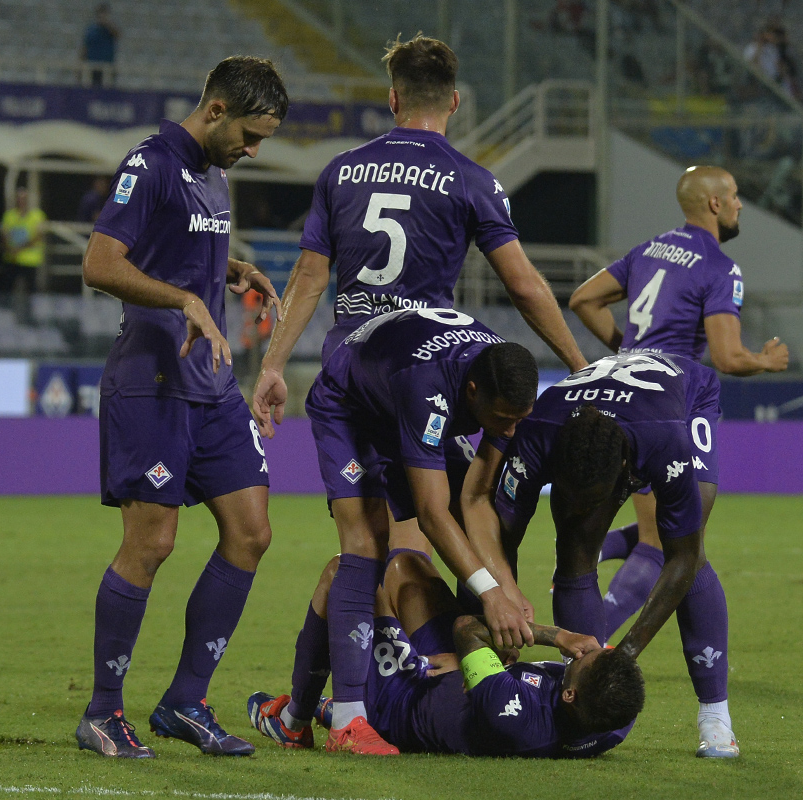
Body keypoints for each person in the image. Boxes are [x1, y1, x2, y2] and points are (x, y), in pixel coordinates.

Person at [247, 34, 586, 754]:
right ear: (454, 103)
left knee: (373, 548)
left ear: (392, 98)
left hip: (379, 364)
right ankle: (351, 715)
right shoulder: (472, 179)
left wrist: (274, 364)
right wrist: (580, 362)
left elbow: (309, 280)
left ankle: (323, 707)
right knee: (405, 538)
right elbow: (525, 286)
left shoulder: (342, 171)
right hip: (405, 379)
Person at [75, 56, 287, 758]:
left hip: (211, 383)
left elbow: (181, 246)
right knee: (152, 544)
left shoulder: (213, 175)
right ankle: (103, 712)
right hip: (152, 380)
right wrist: (185, 299)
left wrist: (233, 268)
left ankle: (185, 701)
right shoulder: (153, 162)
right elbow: (102, 263)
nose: (254, 151)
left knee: (251, 531)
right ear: (217, 109)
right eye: (251, 135)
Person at [266, 308, 540, 755]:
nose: (510, 431)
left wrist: (505, 587)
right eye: (504, 419)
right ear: (473, 393)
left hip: (398, 400)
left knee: (468, 516)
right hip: (351, 408)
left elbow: (474, 499)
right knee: (367, 544)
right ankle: (348, 721)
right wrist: (492, 597)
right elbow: (431, 515)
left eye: (519, 420)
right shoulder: (429, 385)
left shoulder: (501, 380)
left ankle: (298, 716)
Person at [459, 352, 737, 757]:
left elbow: (682, 560)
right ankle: (588, 697)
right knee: (573, 543)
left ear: (625, 468)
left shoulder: (666, 442)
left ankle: (715, 715)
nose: (578, 507)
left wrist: (622, 656)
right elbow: (500, 537)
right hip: (592, 417)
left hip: (683, 398)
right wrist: (500, 599)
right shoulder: (539, 431)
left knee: (686, 544)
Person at [568, 166, 787, 648]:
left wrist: (628, 350)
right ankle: (588, 644)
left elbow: (583, 298)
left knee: (660, 522)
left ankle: (605, 558)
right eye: (733, 195)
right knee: (667, 543)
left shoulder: (648, 250)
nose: (738, 204)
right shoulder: (719, 267)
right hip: (670, 402)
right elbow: (727, 357)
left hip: (624, 391)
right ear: (713, 204)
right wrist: (765, 361)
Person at [248, 548, 642, 756]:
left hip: (407, 698)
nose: (580, 651)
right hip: (451, 673)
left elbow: (466, 629)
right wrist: (472, 666)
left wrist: (557, 636)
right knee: (407, 566)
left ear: (570, 695)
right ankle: (329, 706)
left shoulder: (516, 717)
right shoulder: (613, 718)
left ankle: (294, 719)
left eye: (581, 659)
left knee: (346, 574)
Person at [0, 184, 46, 319]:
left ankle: (29, 316)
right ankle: (6, 315)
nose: (21, 201)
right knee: (8, 290)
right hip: (12, 259)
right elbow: (4, 235)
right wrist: (10, 249)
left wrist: (19, 249)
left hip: (30, 261)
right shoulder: (9, 215)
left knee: (30, 292)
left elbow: (38, 236)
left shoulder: (37, 216)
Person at [81, 3, 120, 87]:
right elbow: (85, 48)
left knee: (107, 92)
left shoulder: (110, 29)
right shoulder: (91, 29)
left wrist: (108, 24)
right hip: (92, 67)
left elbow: (118, 35)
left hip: (107, 68)